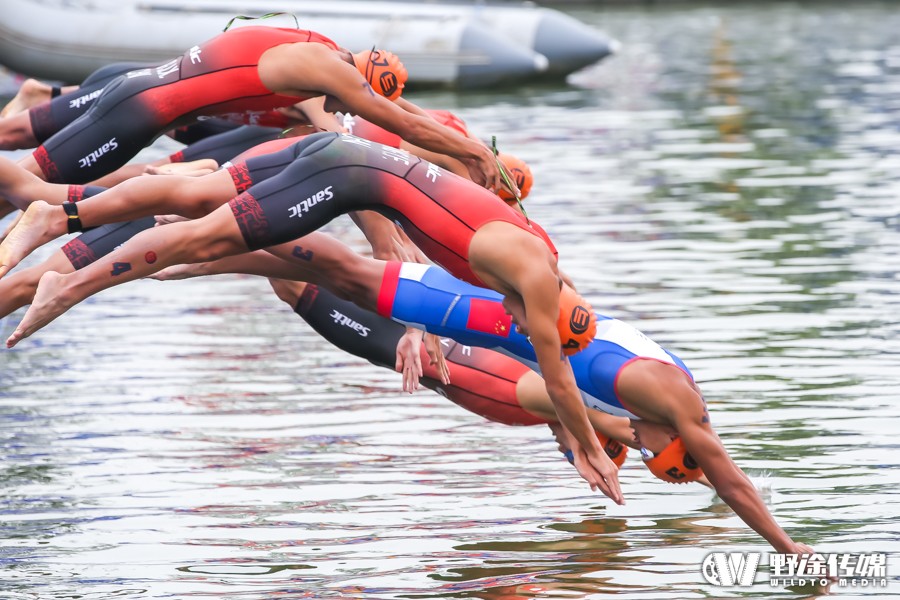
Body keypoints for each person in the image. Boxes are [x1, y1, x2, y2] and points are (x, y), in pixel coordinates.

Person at [5, 132, 623, 504]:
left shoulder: (536, 266)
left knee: (202, 206)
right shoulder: (526, 287)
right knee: (206, 236)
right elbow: (558, 378)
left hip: (340, 163)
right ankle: (68, 269)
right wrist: (610, 441)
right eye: (570, 454)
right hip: (343, 171)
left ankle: (63, 217)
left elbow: (433, 283)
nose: (516, 315)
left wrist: (416, 328)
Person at [0, 111, 530, 277]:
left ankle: (52, 214)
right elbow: (352, 155)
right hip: (257, 153)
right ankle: (51, 214)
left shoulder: (429, 162)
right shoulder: (381, 121)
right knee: (179, 196)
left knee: (183, 202)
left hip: (268, 159)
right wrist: (383, 236)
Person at [0, 25, 503, 199]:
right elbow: (380, 125)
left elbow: (395, 111)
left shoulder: (323, 53)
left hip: (149, 106)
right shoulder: (321, 79)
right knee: (26, 186)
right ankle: (40, 97)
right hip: (137, 106)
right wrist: (473, 149)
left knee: (22, 187)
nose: (342, 107)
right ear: (354, 80)